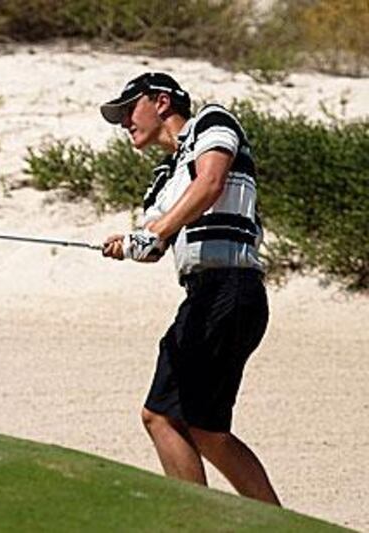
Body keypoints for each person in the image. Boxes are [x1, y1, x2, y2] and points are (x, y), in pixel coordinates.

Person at [98, 72, 280, 506]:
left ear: (161, 102)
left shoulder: (212, 123)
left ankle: (228, 521)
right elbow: (155, 243)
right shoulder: (163, 179)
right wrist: (129, 245)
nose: (125, 122)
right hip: (201, 296)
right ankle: (220, 519)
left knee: (186, 421)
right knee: (183, 422)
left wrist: (157, 231)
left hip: (233, 289)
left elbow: (211, 182)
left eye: (129, 110)